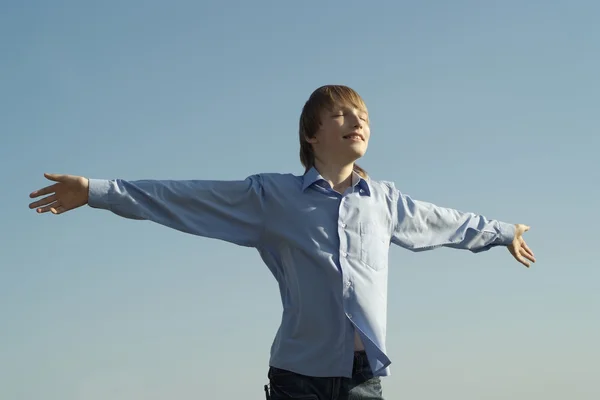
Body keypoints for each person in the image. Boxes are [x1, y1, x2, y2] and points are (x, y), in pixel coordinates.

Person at [28, 85, 535, 400]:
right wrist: (96, 191)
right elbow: (185, 199)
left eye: (364, 116)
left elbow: (442, 222)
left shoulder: (383, 200)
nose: (358, 122)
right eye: (342, 114)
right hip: (298, 379)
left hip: (363, 379)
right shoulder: (272, 196)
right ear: (311, 135)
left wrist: (503, 232)